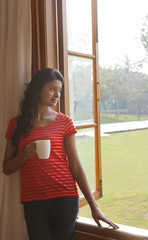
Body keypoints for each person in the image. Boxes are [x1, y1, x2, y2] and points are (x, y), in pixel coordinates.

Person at [3, 68, 119, 240]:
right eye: (52, 89)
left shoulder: (65, 122)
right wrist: (23, 157)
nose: (57, 95)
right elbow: (6, 168)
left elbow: (76, 167)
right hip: (33, 201)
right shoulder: (16, 124)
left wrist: (94, 208)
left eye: (59, 91)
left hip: (65, 198)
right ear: (38, 89)